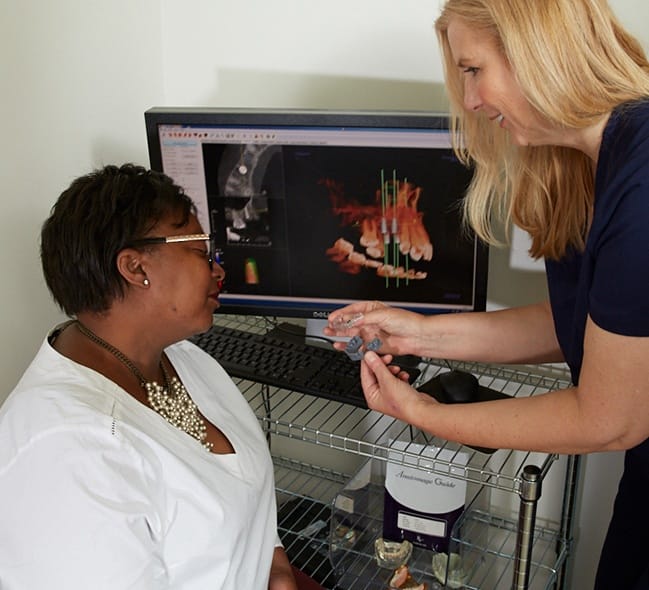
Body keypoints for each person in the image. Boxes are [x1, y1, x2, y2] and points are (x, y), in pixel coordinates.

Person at [325, 1, 649, 588]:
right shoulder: (594, 162)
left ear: (538, 49)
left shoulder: (644, 177)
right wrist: (416, 329)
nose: (470, 101)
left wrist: (420, 412)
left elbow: (609, 418)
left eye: (473, 70)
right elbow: (580, 324)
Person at [0, 164, 299, 589]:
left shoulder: (183, 359)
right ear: (135, 267)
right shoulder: (66, 453)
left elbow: (246, 495)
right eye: (200, 253)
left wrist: (276, 567)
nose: (218, 270)